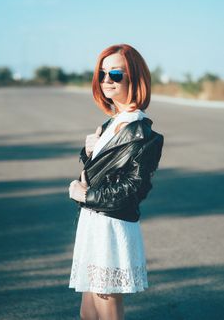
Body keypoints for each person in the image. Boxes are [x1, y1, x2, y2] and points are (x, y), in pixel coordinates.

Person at [68, 43, 164, 320]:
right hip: (93, 221)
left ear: (134, 78)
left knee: (106, 303)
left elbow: (135, 189)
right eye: (102, 73)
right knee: (88, 308)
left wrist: (85, 196)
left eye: (116, 74)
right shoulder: (111, 124)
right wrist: (87, 153)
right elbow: (102, 173)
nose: (107, 80)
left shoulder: (143, 134)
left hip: (112, 224)